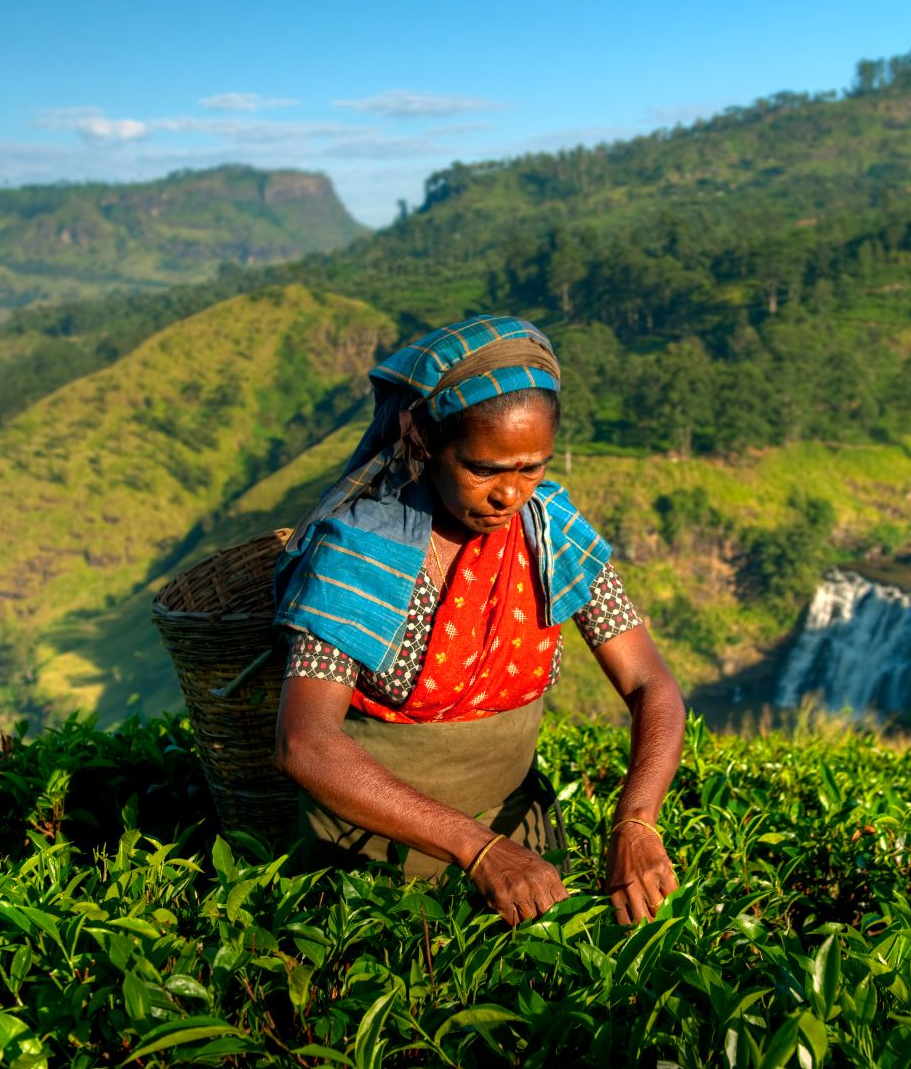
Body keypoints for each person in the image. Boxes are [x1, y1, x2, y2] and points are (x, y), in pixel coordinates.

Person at [271, 315, 685, 926]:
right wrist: (478, 848)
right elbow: (304, 743)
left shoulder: (549, 531)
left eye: (532, 468)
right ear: (429, 444)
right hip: (366, 866)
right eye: (484, 469)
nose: (509, 494)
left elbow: (652, 685)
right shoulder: (362, 549)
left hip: (523, 851)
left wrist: (636, 820)